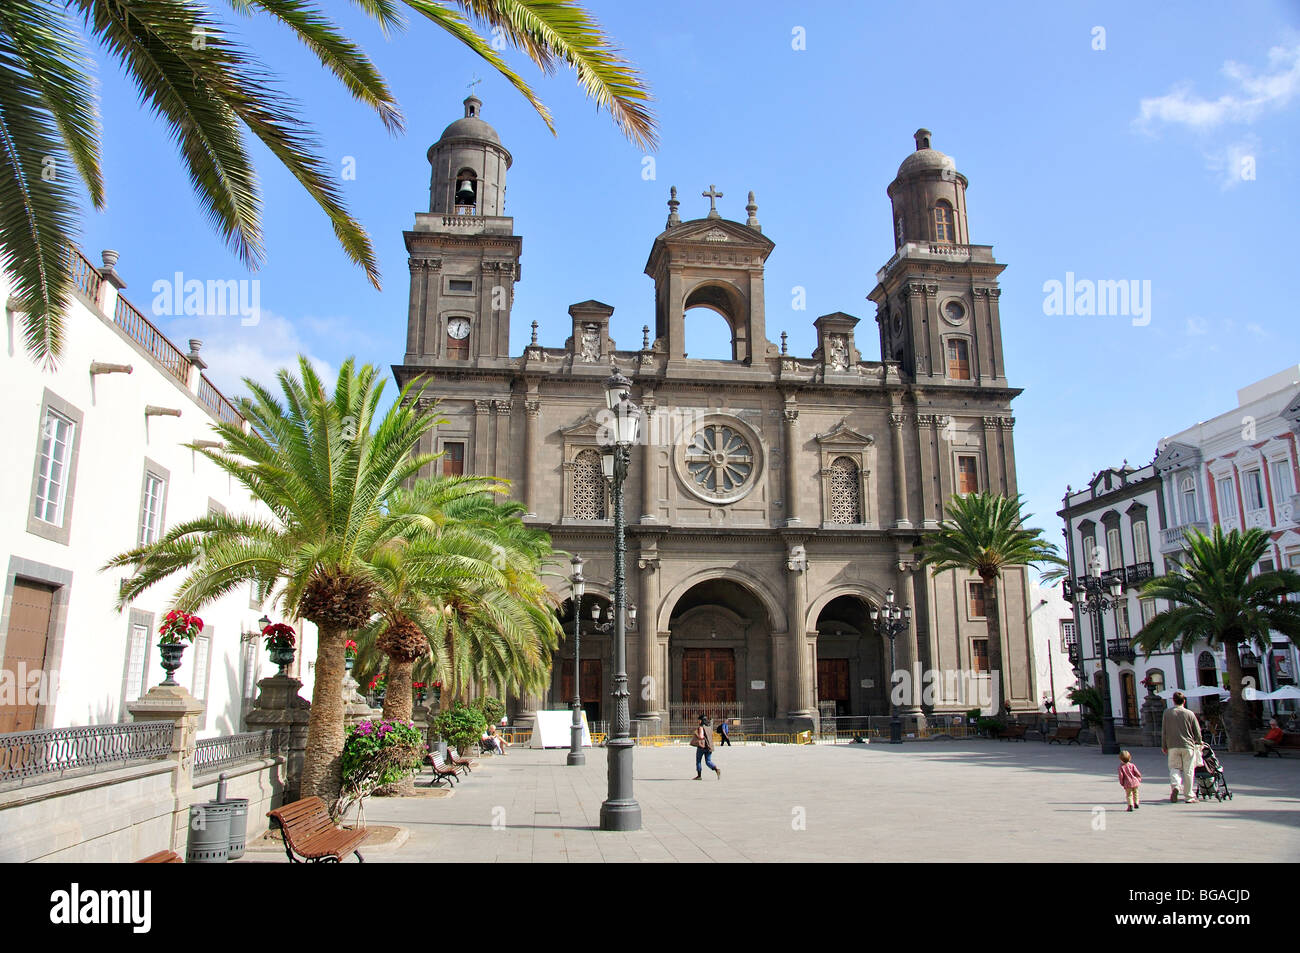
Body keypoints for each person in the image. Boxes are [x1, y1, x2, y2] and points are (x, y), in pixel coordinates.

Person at [1161, 691, 1202, 803]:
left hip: (1172, 745)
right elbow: (1197, 730)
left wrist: (1164, 745)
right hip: (1188, 745)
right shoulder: (1189, 713)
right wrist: (1199, 742)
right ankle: (1189, 796)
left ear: (1173, 701)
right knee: (1188, 771)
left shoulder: (1167, 713)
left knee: (1174, 768)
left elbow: (1164, 731)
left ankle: (1176, 786)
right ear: (1184, 701)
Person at [692, 715, 721, 780]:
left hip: (702, 747)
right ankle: (716, 769)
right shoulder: (709, 727)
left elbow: (701, 737)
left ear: (701, 720)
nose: (698, 721)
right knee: (708, 761)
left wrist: (696, 734)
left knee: (698, 761)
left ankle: (699, 776)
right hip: (709, 746)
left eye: (699, 720)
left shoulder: (701, 727)